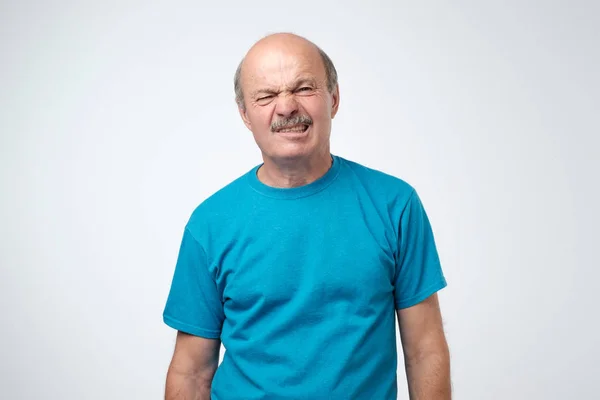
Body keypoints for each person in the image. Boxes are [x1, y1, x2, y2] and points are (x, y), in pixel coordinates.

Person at [163, 32, 451, 400]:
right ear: (245, 115)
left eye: (303, 88)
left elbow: (425, 350)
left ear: (334, 98)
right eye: (266, 95)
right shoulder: (209, 224)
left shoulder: (395, 205)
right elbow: (190, 373)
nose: (286, 108)